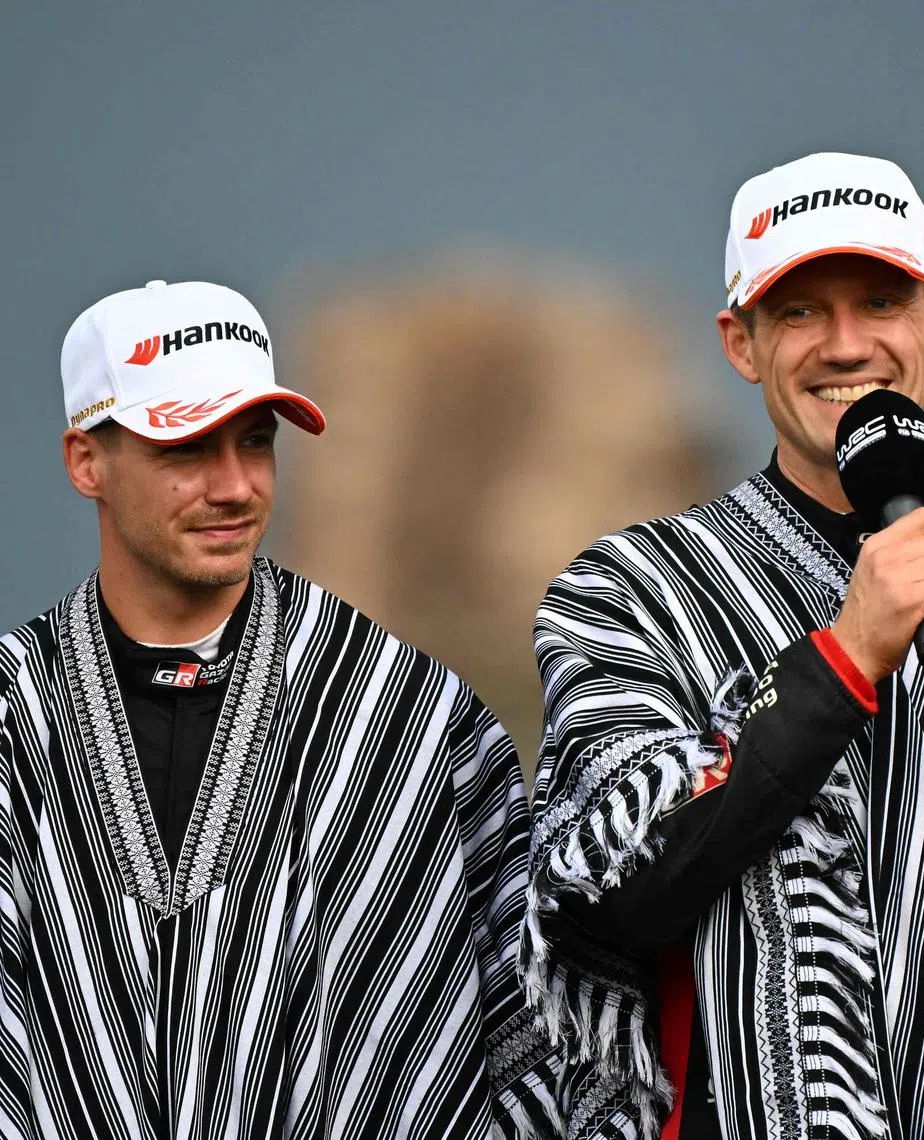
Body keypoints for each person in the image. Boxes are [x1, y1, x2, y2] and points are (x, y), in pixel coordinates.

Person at [521, 153, 924, 1139]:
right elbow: (605, 883)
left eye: (880, 300)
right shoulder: (630, 592)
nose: (846, 344)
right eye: (801, 310)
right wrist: (845, 655)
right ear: (741, 342)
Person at [0, 279, 562, 1139]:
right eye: (187, 449)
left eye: (255, 445)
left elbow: (526, 1043)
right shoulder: (15, 719)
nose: (234, 487)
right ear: (86, 463)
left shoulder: (412, 717)